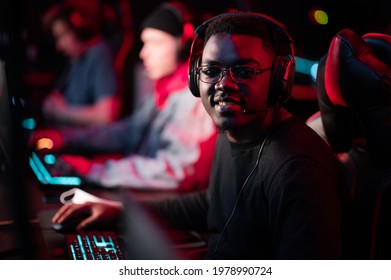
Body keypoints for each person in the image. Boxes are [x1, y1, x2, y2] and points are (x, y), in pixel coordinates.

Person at [51, 12, 351, 259]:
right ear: (196, 79)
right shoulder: (232, 133)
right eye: (211, 70)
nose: (223, 84)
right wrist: (121, 211)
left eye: (243, 71)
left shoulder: (298, 169)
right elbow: (212, 204)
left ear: (278, 79)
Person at [30, 1, 217, 191]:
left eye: (155, 43)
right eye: (144, 43)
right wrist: (66, 137)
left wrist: (95, 170)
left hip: (164, 207)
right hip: (146, 194)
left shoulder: (193, 98)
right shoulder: (165, 89)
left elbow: (176, 169)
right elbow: (129, 131)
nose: (144, 53)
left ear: (185, 46)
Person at [40, 1, 121, 126]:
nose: (59, 46)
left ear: (81, 29)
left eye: (63, 35)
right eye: (57, 39)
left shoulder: (99, 53)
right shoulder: (75, 60)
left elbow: (107, 115)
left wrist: (61, 112)